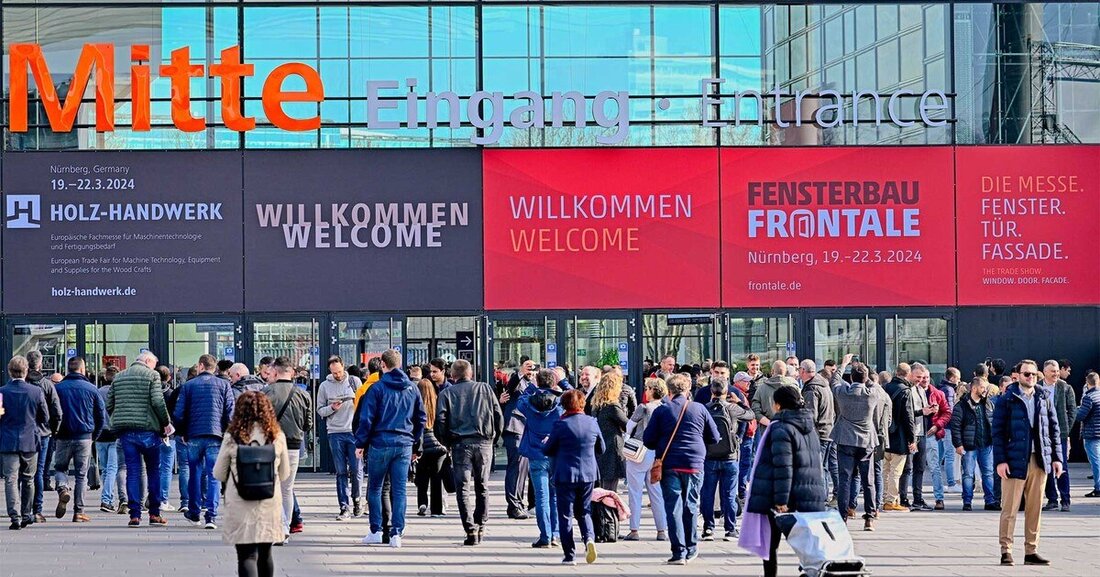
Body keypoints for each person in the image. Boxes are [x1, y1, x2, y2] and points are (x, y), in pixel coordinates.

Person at [744, 385, 827, 577]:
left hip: (784, 496)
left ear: (779, 405)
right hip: (809, 493)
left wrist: (781, 501)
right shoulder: (809, 426)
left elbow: (783, 466)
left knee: (770, 544)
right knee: (807, 545)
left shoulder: (781, 427)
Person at [643, 374, 720, 565]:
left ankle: (678, 552)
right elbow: (715, 437)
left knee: (673, 507)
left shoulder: (662, 410)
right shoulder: (699, 408)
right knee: (691, 505)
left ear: (669, 392)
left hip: (669, 463)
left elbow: (648, 440)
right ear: (687, 390)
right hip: (694, 463)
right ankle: (692, 548)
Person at [993, 359, 1063, 567]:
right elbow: (997, 433)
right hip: (1014, 461)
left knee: (1035, 508)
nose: (1030, 377)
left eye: (1033, 374)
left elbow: (1054, 429)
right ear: (1018, 376)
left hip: (1039, 461)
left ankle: (1031, 550)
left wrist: (1057, 458)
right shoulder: (1007, 399)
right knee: (1010, 509)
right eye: (1026, 374)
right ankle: (1006, 550)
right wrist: (1000, 461)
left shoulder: (1044, 397)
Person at [213, 392, 291, 577]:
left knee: (246, 556)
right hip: (268, 501)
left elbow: (218, 472)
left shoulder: (233, 436)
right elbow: (284, 473)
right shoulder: (276, 436)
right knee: (266, 553)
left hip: (240, 500)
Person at [355, 349, 425, 549]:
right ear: (400, 364)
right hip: (404, 444)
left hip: (380, 442)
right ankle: (397, 533)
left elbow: (366, 419)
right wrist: (415, 442)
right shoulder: (412, 388)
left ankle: (376, 530)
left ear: (383, 366)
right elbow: (421, 418)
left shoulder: (376, 389)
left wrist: (360, 443)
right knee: (400, 490)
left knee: (376, 488)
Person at [435, 359, 503, 546]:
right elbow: (498, 415)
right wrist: (494, 438)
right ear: (470, 373)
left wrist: (446, 442)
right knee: (483, 485)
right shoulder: (486, 389)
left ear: (453, 375)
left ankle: (470, 528)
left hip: (460, 444)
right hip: (483, 442)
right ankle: (481, 523)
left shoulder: (447, 393)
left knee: (463, 488)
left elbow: (440, 421)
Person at [107, 351, 172, 527]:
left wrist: (119, 418)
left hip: (127, 432)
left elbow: (109, 404)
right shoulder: (153, 376)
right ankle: (154, 513)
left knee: (133, 472)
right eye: (154, 363)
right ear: (148, 361)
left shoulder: (119, 377)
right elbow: (158, 402)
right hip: (149, 431)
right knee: (153, 471)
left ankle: (134, 515)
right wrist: (166, 423)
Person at [174, 354, 235, 529]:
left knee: (194, 474)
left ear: (201, 366)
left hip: (193, 435)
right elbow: (230, 412)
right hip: (216, 436)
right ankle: (211, 516)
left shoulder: (188, 386)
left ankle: (194, 513)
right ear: (214, 367)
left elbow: (178, 413)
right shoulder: (224, 385)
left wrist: (183, 431)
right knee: (214, 476)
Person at [544, 389, 603, 566]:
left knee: (565, 515)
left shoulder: (560, 425)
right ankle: (589, 539)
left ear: (564, 405)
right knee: (584, 511)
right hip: (588, 474)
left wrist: (547, 443)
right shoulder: (592, 422)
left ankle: (570, 555)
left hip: (565, 474)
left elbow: (548, 450)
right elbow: (602, 448)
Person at [263, 357, 312, 545]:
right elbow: (308, 424)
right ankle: (285, 529)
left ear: (275, 372)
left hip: (270, 445)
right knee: (287, 489)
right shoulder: (303, 395)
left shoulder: (267, 392)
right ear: (290, 372)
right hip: (292, 447)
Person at [51, 356, 106, 523]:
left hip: (63, 436)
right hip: (84, 437)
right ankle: (78, 512)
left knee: (60, 468)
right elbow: (101, 416)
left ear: (68, 369)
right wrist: (93, 437)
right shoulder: (91, 389)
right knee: (82, 475)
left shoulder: (58, 389)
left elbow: (51, 413)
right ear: (82, 370)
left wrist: (54, 433)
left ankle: (62, 488)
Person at [701, 378, 754, 541]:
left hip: (709, 456)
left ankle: (708, 528)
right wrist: (740, 402)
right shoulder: (732, 408)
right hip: (730, 456)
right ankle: (730, 529)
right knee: (730, 493)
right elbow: (751, 415)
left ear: (712, 392)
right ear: (726, 391)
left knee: (708, 493)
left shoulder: (704, 409)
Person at [1, 356, 49, 530]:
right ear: (26, 371)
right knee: (29, 479)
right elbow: (45, 417)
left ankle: (14, 516)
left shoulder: (2, 392)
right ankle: (27, 513)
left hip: (8, 441)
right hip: (30, 441)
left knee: (10, 480)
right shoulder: (35, 392)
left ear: (9, 370)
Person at [517, 368, 563, 548]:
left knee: (541, 497)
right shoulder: (560, 403)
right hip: (555, 453)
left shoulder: (528, 402)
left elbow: (520, 399)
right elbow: (571, 395)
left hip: (536, 454)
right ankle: (556, 534)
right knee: (555, 496)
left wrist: (533, 387)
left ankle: (545, 535)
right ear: (553, 383)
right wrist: (559, 385)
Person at [832, 362, 878, 530]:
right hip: (866, 440)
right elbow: (874, 382)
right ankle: (869, 518)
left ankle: (843, 517)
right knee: (868, 481)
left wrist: (843, 364)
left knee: (845, 479)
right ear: (866, 378)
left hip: (845, 439)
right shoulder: (872, 394)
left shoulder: (843, 393)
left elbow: (834, 380)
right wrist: (866, 372)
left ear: (851, 378)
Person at [316, 355, 362, 520]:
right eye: (334, 373)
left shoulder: (355, 382)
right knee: (341, 471)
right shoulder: (324, 386)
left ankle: (357, 499)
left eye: (339, 372)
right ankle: (344, 506)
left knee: (356, 469)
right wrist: (332, 408)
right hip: (335, 432)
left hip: (353, 431)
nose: (337, 375)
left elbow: (363, 405)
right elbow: (320, 410)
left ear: (344, 367)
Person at [623, 378, 668, 542]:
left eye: (647, 388)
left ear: (651, 390)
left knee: (635, 493)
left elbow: (629, 427)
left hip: (640, 452)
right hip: (658, 454)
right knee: (656, 493)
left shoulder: (643, 408)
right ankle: (661, 530)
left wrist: (626, 440)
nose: (645, 391)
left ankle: (634, 529)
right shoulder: (665, 408)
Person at [950, 376, 998, 511]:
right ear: (975, 388)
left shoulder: (988, 404)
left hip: (986, 444)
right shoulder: (962, 405)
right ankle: (967, 501)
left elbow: (993, 422)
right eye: (983, 387)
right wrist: (958, 444)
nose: (985, 390)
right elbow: (956, 426)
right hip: (969, 445)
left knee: (988, 473)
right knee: (968, 474)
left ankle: (990, 501)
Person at [25, 351, 62, 525]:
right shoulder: (47, 385)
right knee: (39, 471)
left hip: (23, 433)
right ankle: (37, 510)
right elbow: (57, 412)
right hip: (43, 433)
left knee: (23, 473)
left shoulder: (20, 383)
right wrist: (53, 431)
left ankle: (23, 507)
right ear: (40, 365)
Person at [797, 359, 837, 507]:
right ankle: (824, 497)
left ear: (802, 370)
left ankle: (819, 498)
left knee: (817, 468)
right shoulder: (823, 384)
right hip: (827, 431)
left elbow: (810, 415)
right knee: (824, 467)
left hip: (818, 433)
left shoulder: (811, 389)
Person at [500, 359, 535, 519]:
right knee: (516, 466)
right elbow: (511, 385)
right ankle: (514, 505)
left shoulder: (533, 385)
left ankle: (518, 503)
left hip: (526, 430)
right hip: (515, 428)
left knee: (523, 469)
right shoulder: (517, 382)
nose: (531, 371)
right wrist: (521, 372)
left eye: (534, 369)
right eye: (529, 368)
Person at [913, 363, 950, 510]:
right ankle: (915, 497)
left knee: (934, 467)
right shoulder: (913, 392)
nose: (925, 380)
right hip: (915, 434)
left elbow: (947, 412)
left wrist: (937, 426)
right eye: (922, 378)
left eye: (927, 377)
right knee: (913, 468)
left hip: (930, 434)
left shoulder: (938, 394)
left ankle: (939, 498)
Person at [1040, 360, 1076, 512]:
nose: (1055, 373)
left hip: (1059, 433)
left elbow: (1072, 410)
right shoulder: (1038, 387)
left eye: (1056, 371)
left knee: (1062, 467)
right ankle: (1052, 499)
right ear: (1045, 372)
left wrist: (1065, 429)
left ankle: (1065, 500)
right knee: (1046, 466)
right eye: (1052, 371)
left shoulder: (1065, 388)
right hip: (1042, 434)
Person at [882, 363, 918, 512]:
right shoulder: (906, 391)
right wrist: (912, 439)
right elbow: (908, 417)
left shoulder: (885, 388)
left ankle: (884, 497)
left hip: (885, 435)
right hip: (900, 437)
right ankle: (891, 501)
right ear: (908, 373)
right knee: (896, 471)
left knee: (885, 470)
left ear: (896, 372)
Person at [414, 378, 447, 519]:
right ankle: (436, 509)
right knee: (436, 477)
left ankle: (422, 503)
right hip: (437, 444)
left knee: (421, 475)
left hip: (423, 444)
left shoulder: (416, 403)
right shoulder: (438, 401)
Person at [590, 373, 627, 492]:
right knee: (611, 488)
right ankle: (608, 510)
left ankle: (602, 510)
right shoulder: (613, 406)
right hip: (612, 448)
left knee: (603, 485)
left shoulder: (597, 406)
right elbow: (627, 425)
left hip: (600, 447)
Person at [752, 361, 798, 434]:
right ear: (785, 371)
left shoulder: (761, 388)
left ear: (772, 371)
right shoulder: (794, 388)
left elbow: (755, 410)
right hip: (790, 430)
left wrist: (770, 423)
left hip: (767, 432)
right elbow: (800, 407)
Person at [937, 367, 962, 494]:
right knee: (949, 455)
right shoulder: (949, 390)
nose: (959, 380)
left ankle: (939, 482)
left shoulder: (943, 388)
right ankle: (951, 483)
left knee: (940, 455)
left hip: (942, 426)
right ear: (952, 378)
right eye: (958, 377)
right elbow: (950, 410)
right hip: (948, 427)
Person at [1076, 371, 1100, 497]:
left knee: (1096, 462)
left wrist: (1076, 409)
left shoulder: (1088, 397)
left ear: (1087, 383)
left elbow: (1080, 416)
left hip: (1091, 434)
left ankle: (1098, 488)